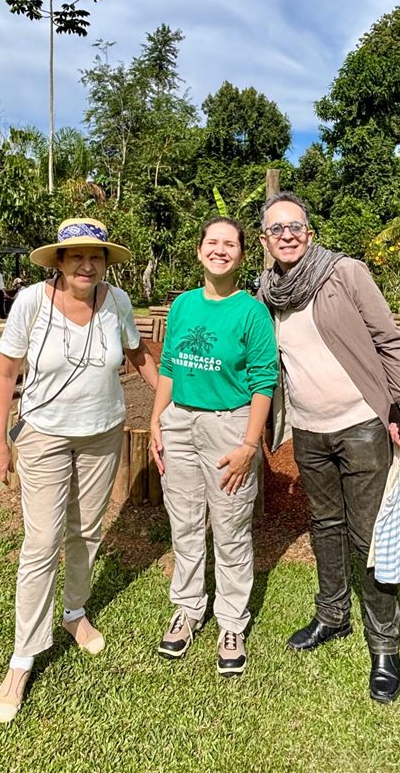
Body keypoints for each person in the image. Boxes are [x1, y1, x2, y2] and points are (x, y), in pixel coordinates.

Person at [0, 217, 158, 724]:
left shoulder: (118, 303)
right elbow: (4, 372)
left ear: (106, 262)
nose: (88, 264)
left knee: (87, 530)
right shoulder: (31, 303)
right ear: (58, 261)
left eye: (97, 256)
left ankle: (75, 612)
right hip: (43, 435)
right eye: (76, 255)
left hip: (103, 433)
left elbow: (140, 356)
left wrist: (174, 403)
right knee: (41, 544)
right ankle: (22, 657)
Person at [257, 192, 400, 704]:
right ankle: (332, 616)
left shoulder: (344, 273)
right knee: (324, 524)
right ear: (264, 240)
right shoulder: (267, 292)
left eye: (295, 226)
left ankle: (384, 646)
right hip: (308, 430)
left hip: (361, 424)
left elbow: (389, 340)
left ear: (309, 232)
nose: (287, 235)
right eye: (276, 228)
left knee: (368, 533)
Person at [149, 217, 277, 677]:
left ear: (242, 255)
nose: (219, 250)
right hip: (179, 421)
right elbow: (168, 365)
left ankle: (231, 621)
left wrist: (249, 445)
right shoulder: (182, 305)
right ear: (199, 250)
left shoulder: (251, 311)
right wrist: (156, 420)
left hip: (229, 428)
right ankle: (187, 608)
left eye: (230, 244)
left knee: (229, 527)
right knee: (184, 523)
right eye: (212, 242)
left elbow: (265, 380)